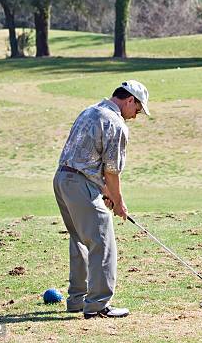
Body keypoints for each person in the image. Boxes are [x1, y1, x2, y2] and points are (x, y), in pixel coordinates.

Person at [53, 80, 150, 319]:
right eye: (137, 109)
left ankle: (77, 300)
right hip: (81, 184)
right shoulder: (115, 123)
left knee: (80, 240)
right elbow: (111, 171)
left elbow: (88, 158)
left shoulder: (91, 110)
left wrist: (105, 192)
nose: (136, 115)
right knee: (102, 242)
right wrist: (118, 201)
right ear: (129, 100)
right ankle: (97, 305)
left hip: (63, 179)